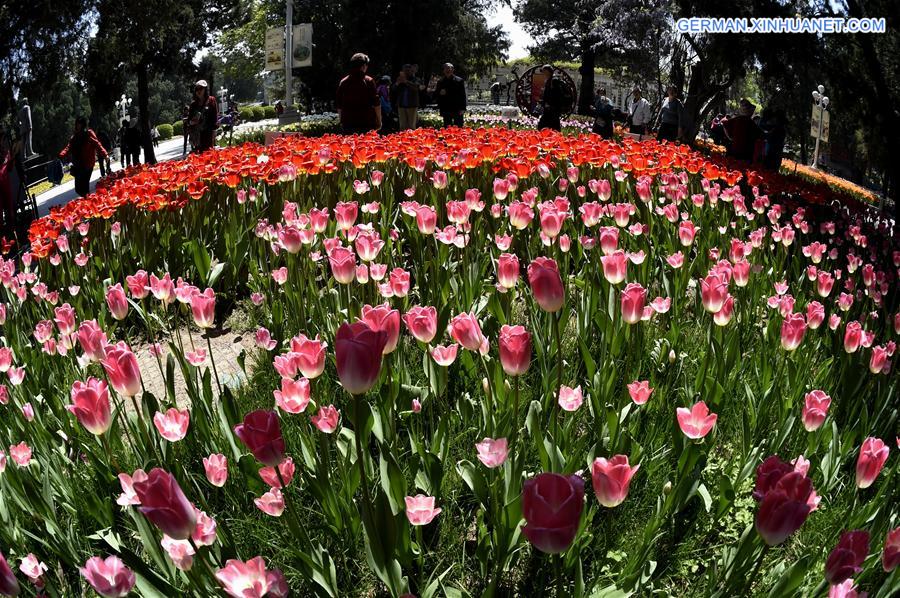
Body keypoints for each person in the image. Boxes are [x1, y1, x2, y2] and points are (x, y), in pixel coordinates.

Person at [59, 116, 108, 197]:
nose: (78, 126)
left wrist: (105, 154)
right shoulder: (74, 136)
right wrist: (61, 155)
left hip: (87, 165)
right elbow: (68, 147)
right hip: (78, 165)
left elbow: (97, 144)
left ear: (84, 125)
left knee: (84, 187)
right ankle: (89, 201)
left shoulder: (89, 133)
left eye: (80, 124)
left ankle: (89, 203)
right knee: (78, 189)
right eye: (77, 124)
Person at [335, 52, 381, 135]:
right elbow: (376, 103)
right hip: (367, 122)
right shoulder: (369, 81)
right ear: (363, 66)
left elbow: (339, 104)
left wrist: (342, 120)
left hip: (348, 123)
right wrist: (379, 120)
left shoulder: (343, 82)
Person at [187, 79, 218, 153]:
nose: (198, 91)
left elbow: (215, 116)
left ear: (205, 89)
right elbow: (189, 121)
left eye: (201, 88)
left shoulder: (211, 100)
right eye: (197, 89)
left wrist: (214, 130)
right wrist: (192, 122)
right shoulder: (193, 105)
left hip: (208, 133)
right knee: (199, 155)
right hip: (197, 135)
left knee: (209, 153)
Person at [434, 63, 466, 127]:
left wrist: (463, 108)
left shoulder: (459, 80)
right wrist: (440, 93)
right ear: (443, 70)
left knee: (458, 127)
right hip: (446, 108)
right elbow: (436, 95)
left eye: (450, 68)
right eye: (446, 68)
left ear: (453, 70)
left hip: (457, 108)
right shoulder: (440, 81)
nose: (448, 70)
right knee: (447, 127)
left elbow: (463, 95)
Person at [394, 64, 423, 130]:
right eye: (405, 70)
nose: (406, 72)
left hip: (412, 105)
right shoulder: (399, 79)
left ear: (411, 71)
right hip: (401, 105)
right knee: (402, 126)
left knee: (411, 126)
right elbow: (393, 89)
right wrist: (397, 83)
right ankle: (403, 139)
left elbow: (416, 88)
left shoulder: (416, 79)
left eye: (408, 70)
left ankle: (412, 139)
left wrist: (406, 82)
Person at [537, 65, 565, 131]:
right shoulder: (549, 80)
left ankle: (556, 138)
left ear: (548, 71)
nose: (542, 73)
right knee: (552, 125)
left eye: (544, 71)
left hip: (552, 108)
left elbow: (556, 94)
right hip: (550, 108)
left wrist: (549, 103)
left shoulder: (554, 81)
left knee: (545, 125)